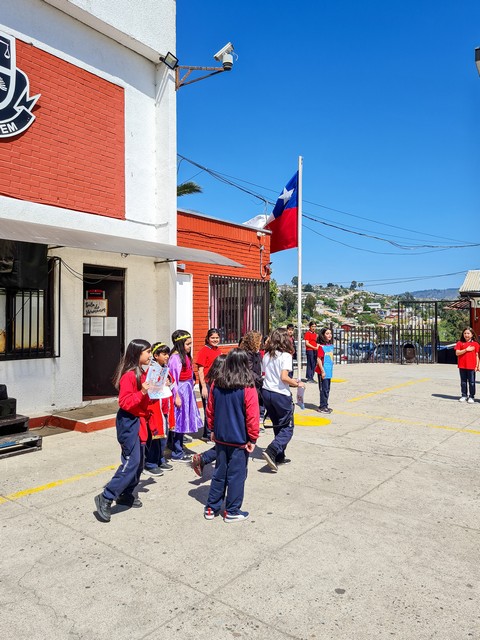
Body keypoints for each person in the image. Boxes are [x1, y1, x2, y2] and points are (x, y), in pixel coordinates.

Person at [94, 339, 152, 522]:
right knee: (131, 462)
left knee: (139, 463)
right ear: (137, 354)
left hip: (140, 421)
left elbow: (146, 400)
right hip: (129, 422)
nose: (150, 355)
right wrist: (142, 393)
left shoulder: (142, 373)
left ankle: (126, 493)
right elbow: (125, 402)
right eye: (147, 352)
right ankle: (106, 496)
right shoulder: (129, 375)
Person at [203, 349, 259, 522]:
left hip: (221, 436)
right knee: (236, 475)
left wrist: (212, 429)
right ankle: (232, 510)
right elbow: (252, 415)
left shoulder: (217, 383)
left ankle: (211, 507)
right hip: (239, 439)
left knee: (219, 472)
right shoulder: (247, 386)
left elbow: (210, 409)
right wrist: (253, 438)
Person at [261, 328, 305, 472]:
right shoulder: (285, 356)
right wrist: (297, 383)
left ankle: (279, 455)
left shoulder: (267, 355)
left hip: (267, 392)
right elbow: (284, 377)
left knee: (278, 424)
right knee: (287, 427)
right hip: (280, 394)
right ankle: (272, 450)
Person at [168, 330, 202, 461]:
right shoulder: (175, 359)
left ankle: (177, 446)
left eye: (190, 344)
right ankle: (177, 452)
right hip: (180, 392)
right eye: (187, 344)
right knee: (179, 421)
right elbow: (173, 380)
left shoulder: (185, 356)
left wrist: (191, 380)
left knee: (182, 420)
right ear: (180, 344)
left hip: (186, 391)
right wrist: (176, 396)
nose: (190, 346)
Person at [192, 354, 226, 477]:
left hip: (219, 423)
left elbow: (210, 410)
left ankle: (204, 459)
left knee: (224, 446)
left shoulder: (215, 384)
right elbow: (210, 410)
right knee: (229, 447)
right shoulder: (222, 386)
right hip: (225, 423)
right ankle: (206, 460)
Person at [144, 342, 174, 476]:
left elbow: (171, 383)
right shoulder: (151, 370)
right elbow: (148, 387)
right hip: (155, 407)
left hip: (165, 407)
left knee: (164, 435)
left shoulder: (165, 368)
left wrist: (169, 382)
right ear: (156, 356)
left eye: (168, 354)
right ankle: (150, 463)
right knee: (156, 436)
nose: (167, 356)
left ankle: (160, 459)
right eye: (164, 354)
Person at [196, 328, 221, 442]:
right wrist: (203, 387)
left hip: (216, 383)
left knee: (215, 408)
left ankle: (212, 432)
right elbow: (200, 370)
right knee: (208, 409)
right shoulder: (204, 351)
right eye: (212, 338)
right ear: (207, 338)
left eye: (217, 337)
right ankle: (207, 434)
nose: (215, 340)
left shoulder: (218, 350)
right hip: (206, 383)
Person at [455, 327, 480, 403]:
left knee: (472, 382)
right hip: (462, 366)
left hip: (471, 366)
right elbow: (457, 353)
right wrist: (466, 350)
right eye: (465, 333)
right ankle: (464, 395)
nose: (466, 335)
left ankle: (471, 396)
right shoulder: (459, 343)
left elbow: (477, 355)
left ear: (472, 334)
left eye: (468, 333)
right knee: (463, 382)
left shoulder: (475, 344)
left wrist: (477, 365)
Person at [316, 327, 334, 414]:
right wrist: (322, 371)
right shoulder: (321, 347)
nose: (329, 335)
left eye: (330, 333)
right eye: (327, 333)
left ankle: (325, 405)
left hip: (329, 370)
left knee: (327, 389)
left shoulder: (329, 346)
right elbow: (319, 359)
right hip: (323, 371)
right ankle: (322, 406)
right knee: (323, 389)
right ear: (323, 335)